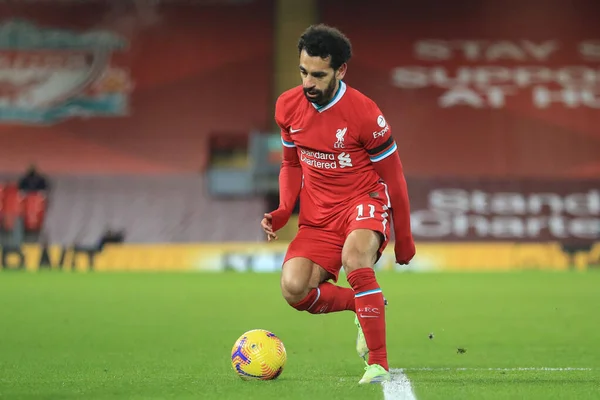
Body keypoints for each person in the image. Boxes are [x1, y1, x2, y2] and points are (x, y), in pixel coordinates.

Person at [260, 24, 416, 384]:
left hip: (364, 202)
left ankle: (378, 361)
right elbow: (291, 164)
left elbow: (395, 179)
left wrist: (404, 237)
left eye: (318, 74)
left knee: (354, 259)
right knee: (294, 288)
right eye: (303, 72)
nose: (308, 83)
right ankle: (363, 306)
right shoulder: (287, 106)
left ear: (340, 70)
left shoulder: (364, 113)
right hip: (318, 216)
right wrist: (285, 210)